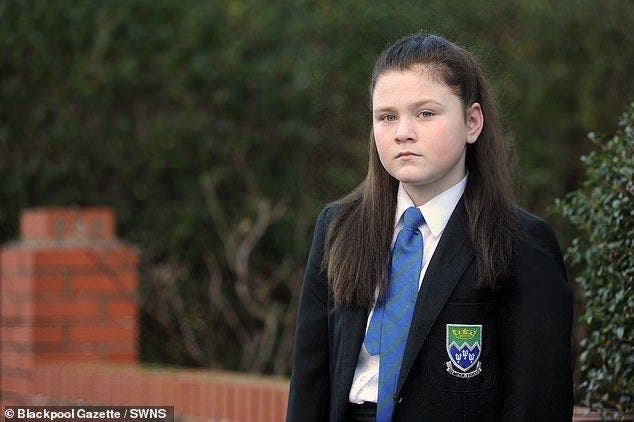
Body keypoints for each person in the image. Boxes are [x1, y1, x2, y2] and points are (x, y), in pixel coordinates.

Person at [286, 33, 573, 422]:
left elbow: (537, 403)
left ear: (472, 122)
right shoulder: (339, 227)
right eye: (387, 116)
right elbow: (309, 383)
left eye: (425, 113)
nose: (403, 131)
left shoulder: (520, 243)